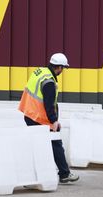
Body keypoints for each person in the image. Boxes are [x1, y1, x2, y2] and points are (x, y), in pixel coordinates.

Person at [19, 52, 78, 184]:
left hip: (29, 114)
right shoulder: (49, 82)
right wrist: (54, 121)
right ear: (59, 67)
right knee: (56, 142)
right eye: (63, 68)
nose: (62, 71)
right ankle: (64, 174)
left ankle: (34, 174)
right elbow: (49, 104)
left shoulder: (40, 72)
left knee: (38, 145)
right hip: (39, 117)